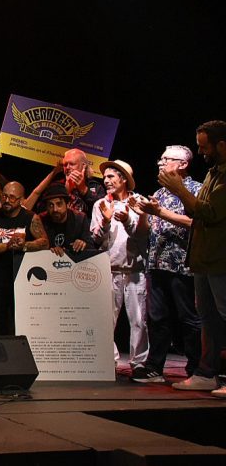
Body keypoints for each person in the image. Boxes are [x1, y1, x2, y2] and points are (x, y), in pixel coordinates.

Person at [158, 121, 226, 395]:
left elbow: (209, 213)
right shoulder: (213, 172)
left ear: (222, 145)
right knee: (207, 317)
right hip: (203, 257)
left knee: (224, 315)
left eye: (204, 146)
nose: (200, 152)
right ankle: (207, 373)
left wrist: (180, 190)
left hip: (220, 257)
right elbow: (197, 213)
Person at [128, 145, 201, 384]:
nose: (160, 163)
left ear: (182, 164)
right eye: (160, 159)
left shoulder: (195, 189)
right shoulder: (159, 193)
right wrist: (141, 212)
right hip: (157, 263)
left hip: (182, 265)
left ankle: (197, 369)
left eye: (166, 159)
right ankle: (154, 368)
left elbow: (195, 223)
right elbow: (146, 231)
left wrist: (159, 212)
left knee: (188, 318)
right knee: (157, 317)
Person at [90, 160, 149, 373]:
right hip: (109, 270)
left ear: (123, 179)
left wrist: (127, 220)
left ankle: (139, 363)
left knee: (139, 320)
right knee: (106, 320)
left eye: (111, 177)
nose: (106, 181)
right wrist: (105, 221)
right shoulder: (100, 204)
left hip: (135, 271)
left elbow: (142, 235)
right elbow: (96, 238)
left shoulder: (138, 202)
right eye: (104, 177)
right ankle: (109, 359)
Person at [0, 181, 49, 335]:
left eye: (12, 197)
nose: (7, 200)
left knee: (20, 322)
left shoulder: (31, 217)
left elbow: (44, 243)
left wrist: (25, 245)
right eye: (4, 196)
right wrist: (8, 246)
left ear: (21, 200)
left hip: (22, 278)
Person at [24, 148, 104, 215]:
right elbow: (42, 210)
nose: (67, 168)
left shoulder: (95, 186)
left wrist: (83, 189)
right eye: (65, 165)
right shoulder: (56, 185)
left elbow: (101, 212)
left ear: (83, 166)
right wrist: (65, 191)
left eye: (72, 164)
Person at [39, 184, 95, 260]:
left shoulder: (80, 218)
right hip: (48, 261)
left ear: (67, 204)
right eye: (50, 205)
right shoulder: (41, 220)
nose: (55, 209)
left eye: (59, 204)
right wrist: (50, 251)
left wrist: (83, 244)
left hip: (74, 262)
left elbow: (91, 248)